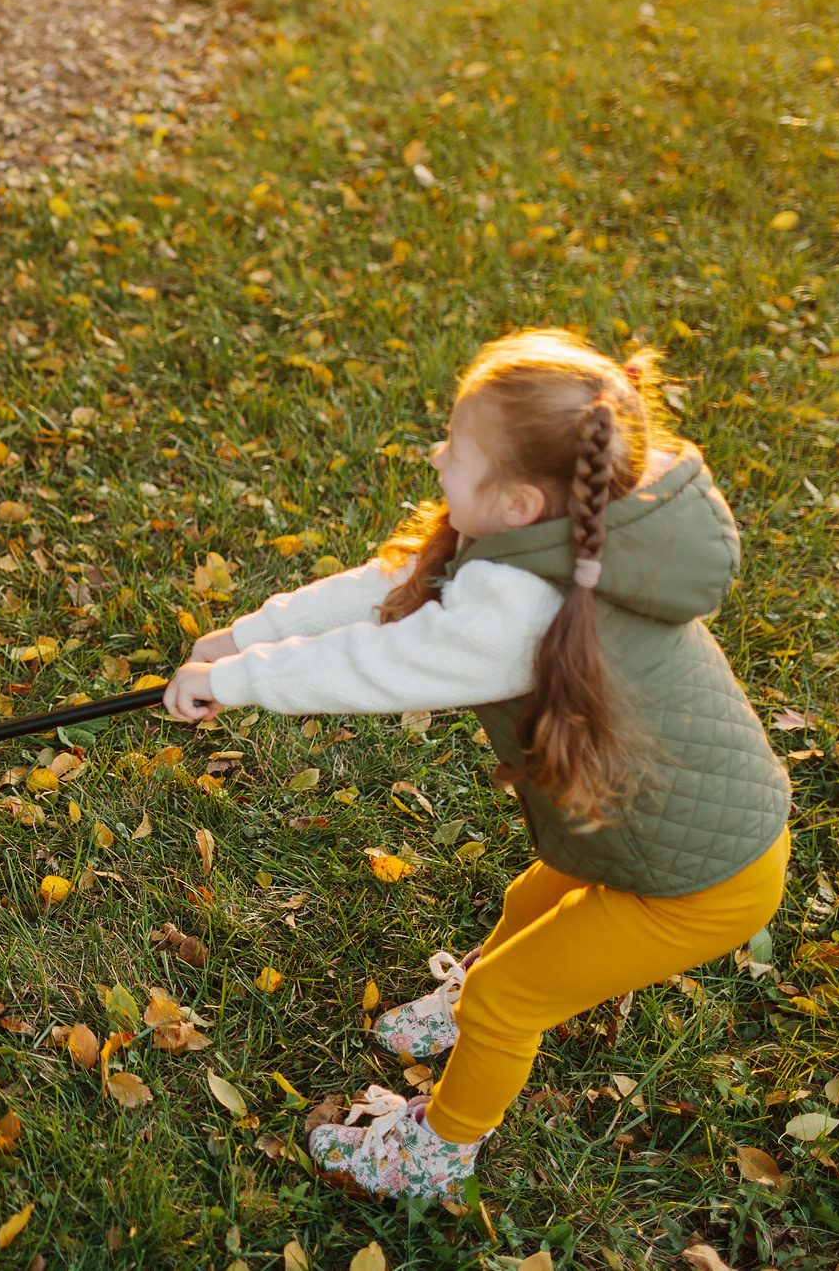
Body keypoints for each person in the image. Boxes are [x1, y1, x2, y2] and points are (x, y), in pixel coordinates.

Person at [162, 329, 791, 1202]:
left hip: (704, 878)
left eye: (456, 448)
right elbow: (387, 586)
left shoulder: (516, 611)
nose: (435, 454)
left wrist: (237, 682)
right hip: (680, 830)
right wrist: (245, 636)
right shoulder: (559, 531)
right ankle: (461, 1018)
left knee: (510, 993)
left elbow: (378, 661)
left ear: (520, 501)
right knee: (531, 900)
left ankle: (436, 1154)